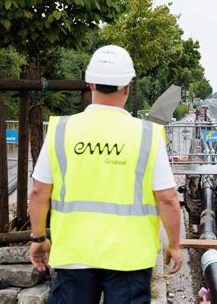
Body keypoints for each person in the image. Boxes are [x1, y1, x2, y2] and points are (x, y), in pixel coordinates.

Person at [28, 45, 183, 303]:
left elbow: (39, 191)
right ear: (127, 87)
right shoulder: (147, 134)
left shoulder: (61, 130)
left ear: (90, 84)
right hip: (130, 259)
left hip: (73, 255)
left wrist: (38, 237)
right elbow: (167, 198)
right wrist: (175, 245)